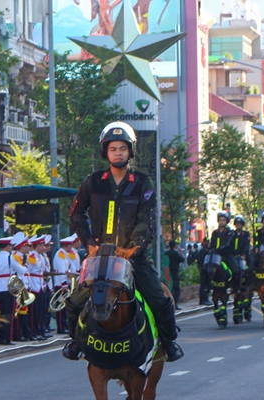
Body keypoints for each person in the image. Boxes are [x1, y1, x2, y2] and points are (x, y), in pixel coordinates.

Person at [64, 121, 184, 362]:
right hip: (99, 259)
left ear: (130, 151)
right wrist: (88, 242)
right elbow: (76, 213)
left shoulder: (142, 183)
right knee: (74, 301)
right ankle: (75, 342)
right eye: (112, 149)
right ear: (105, 152)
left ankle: (169, 342)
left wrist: (132, 249)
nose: (117, 153)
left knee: (160, 300)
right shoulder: (93, 182)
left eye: (122, 148)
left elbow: (147, 219)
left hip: (133, 257)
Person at [0, 236, 15, 344]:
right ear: (6, 246)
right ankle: (7, 337)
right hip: (7, 288)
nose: (11, 247)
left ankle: (0, 337)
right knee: (8, 314)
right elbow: (21, 269)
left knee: (0, 313)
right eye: (10, 245)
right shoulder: (10, 258)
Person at [210, 211, 239, 290]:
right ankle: (208, 288)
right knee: (206, 269)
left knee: (236, 270)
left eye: (223, 220)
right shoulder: (214, 233)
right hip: (216, 255)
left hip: (227, 255)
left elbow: (227, 244)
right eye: (220, 220)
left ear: (226, 221)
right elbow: (212, 244)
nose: (222, 222)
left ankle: (235, 288)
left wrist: (218, 249)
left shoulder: (230, 232)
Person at [52, 235, 75, 334]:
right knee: (61, 308)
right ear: (67, 246)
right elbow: (62, 271)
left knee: (64, 307)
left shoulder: (63, 254)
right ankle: (61, 327)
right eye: (70, 245)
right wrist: (64, 284)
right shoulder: (60, 254)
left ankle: (64, 326)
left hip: (64, 284)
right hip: (61, 285)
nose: (71, 248)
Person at [165, 240, 185, 309]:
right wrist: (181, 251)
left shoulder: (167, 253)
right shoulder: (175, 253)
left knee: (169, 287)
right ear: (175, 245)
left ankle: (169, 302)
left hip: (167, 272)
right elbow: (183, 259)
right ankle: (175, 303)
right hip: (174, 271)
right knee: (176, 288)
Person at [196, 239, 212, 305]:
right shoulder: (202, 251)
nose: (208, 244)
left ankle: (206, 298)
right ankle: (203, 299)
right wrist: (200, 268)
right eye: (207, 242)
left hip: (207, 270)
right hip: (203, 270)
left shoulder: (208, 251)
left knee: (207, 284)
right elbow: (199, 261)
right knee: (204, 284)